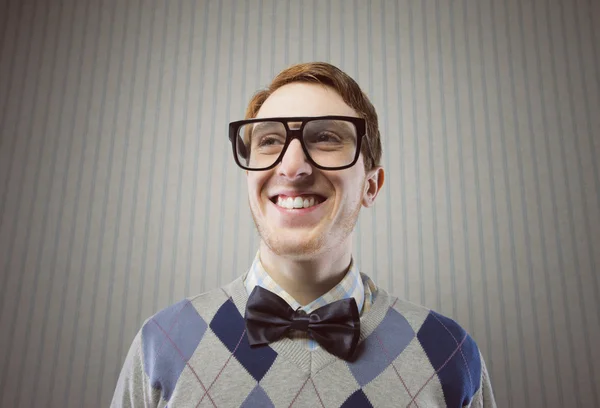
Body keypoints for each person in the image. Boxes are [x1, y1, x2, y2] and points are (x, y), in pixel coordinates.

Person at [112, 62, 496, 407]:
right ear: (249, 177)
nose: (293, 166)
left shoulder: (448, 351)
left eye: (326, 137)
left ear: (371, 186)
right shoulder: (163, 342)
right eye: (269, 141)